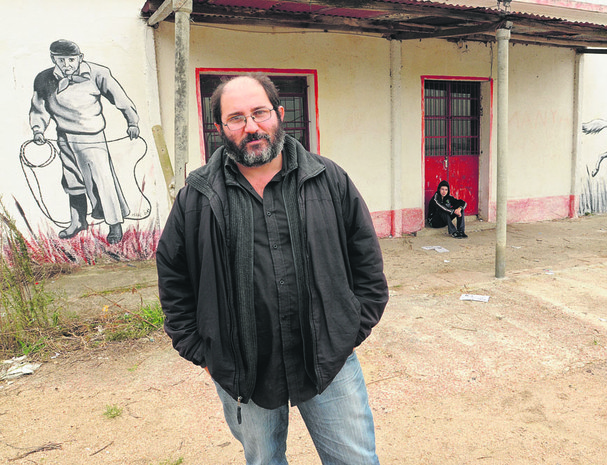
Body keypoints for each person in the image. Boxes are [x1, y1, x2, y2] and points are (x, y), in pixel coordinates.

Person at [156, 73, 388, 464]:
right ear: (219, 128)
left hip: (328, 361)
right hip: (243, 371)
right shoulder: (196, 196)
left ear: (280, 114)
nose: (251, 127)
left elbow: (366, 261)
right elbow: (174, 278)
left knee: (355, 460)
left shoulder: (328, 179)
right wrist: (203, 351)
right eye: (236, 118)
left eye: (260, 112)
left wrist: (348, 330)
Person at [29, 39, 140, 244]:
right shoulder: (44, 78)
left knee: (102, 182)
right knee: (72, 181)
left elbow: (121, 99)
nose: (67, 64)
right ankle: (77, 221)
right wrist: (38, 130)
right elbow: (39, 108)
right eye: (61, 60)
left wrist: (132, 122)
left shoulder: (98, 73)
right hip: (64, 137)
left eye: (71, 59)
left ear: (80, 58)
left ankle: (114, 225)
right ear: (53, 59)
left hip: (92, 138)